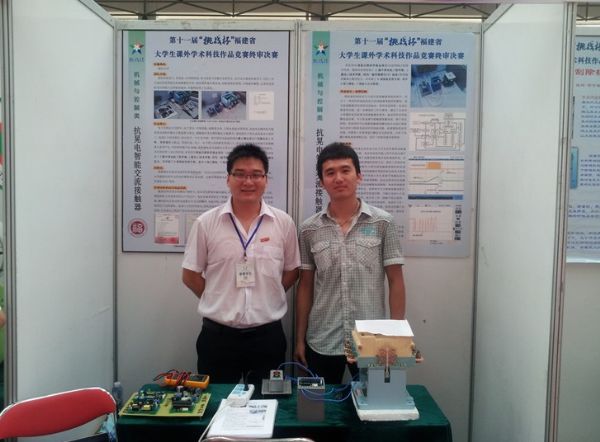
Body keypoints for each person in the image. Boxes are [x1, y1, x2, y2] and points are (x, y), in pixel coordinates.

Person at [182, 143, 300, 386]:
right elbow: (190, 275)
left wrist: (269, 295)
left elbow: (292, 271)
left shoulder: (283, 223)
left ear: (266, 179)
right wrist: (219, 298)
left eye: (256, 174)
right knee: (216, 403)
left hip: (268, 337)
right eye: (240, 174)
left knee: (267, 402)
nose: (248, 181)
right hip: (218, 337)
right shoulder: (206, 223)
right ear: (228, 178)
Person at [294, 142, 406, 384]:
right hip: (323, 339)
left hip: (373, 340)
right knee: (318, 406)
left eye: (345, 170)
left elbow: (396, 281)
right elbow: (305, 286)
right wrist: (299, 339)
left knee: (375, 404)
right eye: (330, 172)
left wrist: (397, 338)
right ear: (322, 182)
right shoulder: (309, 229)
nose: (338, 178)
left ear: (359, 176)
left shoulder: (383, 223)